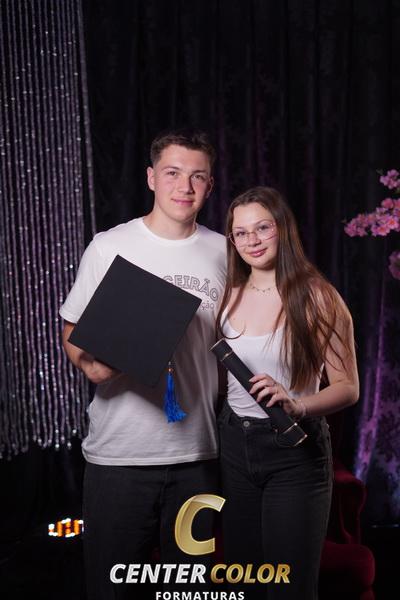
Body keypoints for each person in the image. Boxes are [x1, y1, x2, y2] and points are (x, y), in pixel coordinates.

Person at [60, 129, 226, 599]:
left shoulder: (226, 251)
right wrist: (89, 366)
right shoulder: (109, 246)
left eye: (197, 176)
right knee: (112, 589)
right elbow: (72, 328)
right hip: (120, 456)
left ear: (210, 185)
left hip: (199, 455)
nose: (184, 187)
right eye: (172, 173)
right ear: (152, 178)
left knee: (189, 590)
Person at [215, 186, 359, 600]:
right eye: (241, 233)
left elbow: (348, 387)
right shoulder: (227, 295)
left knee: (289, 587)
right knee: (244, 582)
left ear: (283, 228)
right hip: (234, 446)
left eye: (263, 228)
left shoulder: (317, 295)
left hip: (295, 451)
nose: (252, 240)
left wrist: (297, 404)